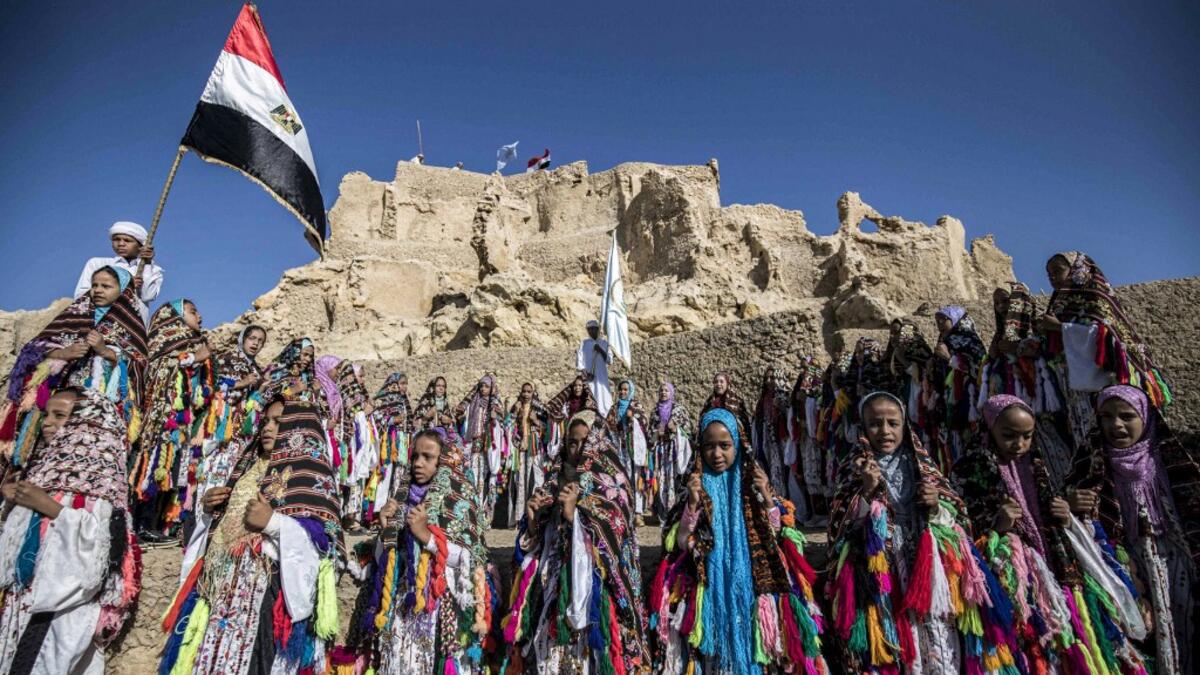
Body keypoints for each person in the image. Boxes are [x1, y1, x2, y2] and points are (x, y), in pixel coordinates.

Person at [826, 392, 1009, 673]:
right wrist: (866, 490)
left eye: (892, 423)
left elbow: (959, 518)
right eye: (875, 424)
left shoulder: (925, 466)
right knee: (896, 635)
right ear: (862, 429)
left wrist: (936, 503)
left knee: (938, 631)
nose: (885, 431)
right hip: (883, 569)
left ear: (904, 426)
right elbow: (840, 532)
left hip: (930, 566)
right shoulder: (853, 469)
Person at [158, 398, 343, 675]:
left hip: (266, 603)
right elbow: (216, 535)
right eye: (266, 421)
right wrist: (209, 511)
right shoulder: (246, 471)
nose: (267, 428)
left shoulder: (307, 478)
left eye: (278, 422)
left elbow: (322, 548)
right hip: (221, 594)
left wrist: (274, 523)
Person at [648, 408, 829, 674]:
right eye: (709, 446)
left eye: (724, 445)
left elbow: (778, 535)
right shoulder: (693, 491)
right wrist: (693, 506)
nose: (717, 454)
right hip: (710, 590)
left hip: (752, 593)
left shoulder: (755, 490)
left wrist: (767, 498)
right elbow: (682, 542)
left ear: (738, 445)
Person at [952, 395, 1117, 672]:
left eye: (1027, 436)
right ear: (989, 429)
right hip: (1011, 578)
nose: (1019, 445)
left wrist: (1064, 509)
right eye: (1009, 436)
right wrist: (998, 525)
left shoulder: (1036, 464)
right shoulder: (971, 469)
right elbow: (961, 530)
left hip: (1051, 571)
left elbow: (1046, 508)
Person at [0, 388, 142, 674]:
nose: (47, 423)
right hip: (22, 605)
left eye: (60, 415)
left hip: (59, 611)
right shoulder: (42, 471)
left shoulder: (100, 486)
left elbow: (100, 553)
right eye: (47, 415)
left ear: (89, 424)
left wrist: (50, 508)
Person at [500, 410, 649, 673]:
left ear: (598, 444)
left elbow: (614, 538)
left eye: (585, 441)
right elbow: (535, 544)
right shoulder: (552, 483)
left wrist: (574, 517)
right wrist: (534, 522)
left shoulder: (613, 484)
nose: (578, 448)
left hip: (590, 593)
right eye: (572, 441)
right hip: (550, 588)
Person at [1070, 385, 1200, 672]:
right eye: (1106, 416)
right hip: (1126, 572)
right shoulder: (1089, 466)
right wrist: (1071, 504)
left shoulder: (1170, 461)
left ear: (1146, 417)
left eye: (1127, 416)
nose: (1115, 424)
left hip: (1177, 566)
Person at [342, 428, 492, 674]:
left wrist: (427, 537)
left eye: (428, 457)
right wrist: (386, 530)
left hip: (441, 607)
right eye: (415, 456)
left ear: (444, 459)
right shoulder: (401, 500)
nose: (418, 463)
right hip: (401, 609)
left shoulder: (459, 499)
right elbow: (384, 561)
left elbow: (469, 560)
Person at [1, 265, 147, 464]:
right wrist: (63, 353)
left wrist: (105, 351)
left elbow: (139, 365)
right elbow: (34, 348)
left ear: (123, 291)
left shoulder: (131, 325)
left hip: (99, 403)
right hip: (58, 395)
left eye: (106, 286)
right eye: (94, 285)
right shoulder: (75, 313)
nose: (98, 290)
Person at [1041, 252, 1173, 448]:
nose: (1052, 277)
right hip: (1076, 392)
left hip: (1104, 385)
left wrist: (1060, 328)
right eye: (1049, 274)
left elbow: (1108, 337)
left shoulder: (1096, 299)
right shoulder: (1058, 307)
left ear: (1077, 270)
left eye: (1057, 271)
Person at [131, 300, 213, 543]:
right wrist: (194, 358)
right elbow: (161, 365)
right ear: (174, 315)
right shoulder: (164, 340)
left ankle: (155, 525)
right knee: (152, 469)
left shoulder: (193, 346)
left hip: (180, 425)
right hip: (159, 423)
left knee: (171, 472)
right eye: (193, 312)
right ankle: (139, 525)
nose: (199, 316)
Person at [924, 305, 986, 472]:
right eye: (937, 321)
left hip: (967, 399)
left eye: (943, 319)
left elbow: (979, 367)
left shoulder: (968, 339)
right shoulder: (943, 342)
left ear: (956, 319)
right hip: (946, 401)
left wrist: (950, 359)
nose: (939, 323)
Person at [73, 221, 164, 326]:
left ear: (140, 245)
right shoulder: (97, 263)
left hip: (132, 329)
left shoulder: (152, 270)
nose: (120, 244)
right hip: (99, 325)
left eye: (127, 240)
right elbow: (80, 296)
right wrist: (125, 286)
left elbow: (147, 296)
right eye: (116, 239)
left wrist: (147, 263)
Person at [363, 372, 413, 527]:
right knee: (385, 476)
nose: (405, 386)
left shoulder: (404, 401)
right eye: (402, 383)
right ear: (394, 384)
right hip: (388, 444)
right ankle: (377, 513)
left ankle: (393, 512)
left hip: (402, 444)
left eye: (406, 383)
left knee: (398, 477)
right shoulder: (384, 399)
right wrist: (392, 420)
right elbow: (376, 416)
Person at [499, 383, 548, 529]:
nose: (526, 394)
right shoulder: (517, 406)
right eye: (524, 391)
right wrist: (513, 413)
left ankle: (535, 515)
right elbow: (507, 425)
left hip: (535, 448)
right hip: (519, 448)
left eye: (529, 392)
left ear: (533, 393)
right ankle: (519, 518)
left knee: (535, 480)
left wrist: (536, 421)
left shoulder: (540, 408)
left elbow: (548, 429)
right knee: (519, 482)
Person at [455, 375, 504, 511]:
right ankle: (473, 507)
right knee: (473, 475)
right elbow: (463, 418)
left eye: (486, 386)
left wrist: (495, 419)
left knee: (486, 476)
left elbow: (502, 422)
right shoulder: (474, 403)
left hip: (488, 446)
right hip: (473, 444)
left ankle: (484, 509)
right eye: (481, 386)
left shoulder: (495, 404)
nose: (483, 389)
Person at [605, 379, 651, 519]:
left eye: (626, 389)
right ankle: (623, 506)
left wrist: (633, 420)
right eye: (621, 389)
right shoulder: (614, 408)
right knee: (621, 476)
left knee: (636, 477)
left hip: (634, 448)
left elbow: (644, 423)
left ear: (630, 390)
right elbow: (608, 425)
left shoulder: (636, 405)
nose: (623, 392)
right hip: (620, 448)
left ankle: (638, 511)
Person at [649, 381, 691, 519]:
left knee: (674, 479)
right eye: (661, 390)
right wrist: (656, 433)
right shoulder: (655, 412)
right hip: (660, 452)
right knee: (660, 479)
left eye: (666, 390)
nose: (663, 393)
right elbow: (650, 433)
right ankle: (661, 512)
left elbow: (688, 430)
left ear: (671, 393)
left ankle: (675, 511)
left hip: (675, 451)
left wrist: (675, 429)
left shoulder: (679, 410)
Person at [752, 365, 792, 498]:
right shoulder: (763, 400)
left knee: (787, 471)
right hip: (768, 440)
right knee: (773, 470)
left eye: (772, 378)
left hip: (783, 440)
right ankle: (776, 500)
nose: (769, 381)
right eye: (767, 378)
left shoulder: (784, 397)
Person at [700, 371, 752, 440]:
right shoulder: (709, 402)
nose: (718, 384)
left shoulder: (736, 402)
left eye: (721, 382)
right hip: (711, 439)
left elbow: (743, 425)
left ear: (727, 384)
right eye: (716, 382)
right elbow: (702, 422)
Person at [576, 320, 613, 417]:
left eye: (594, 329)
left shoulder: (604, 343)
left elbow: (609, 360)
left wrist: (600, 350)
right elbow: (579, 361)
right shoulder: (584, 343)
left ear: (598, 329)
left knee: (603, 397)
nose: (592, 331)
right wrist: (585, 373)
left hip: (601, 377)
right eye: (589, 329)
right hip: (589, 377)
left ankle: (604, 416)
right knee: (590, 396)